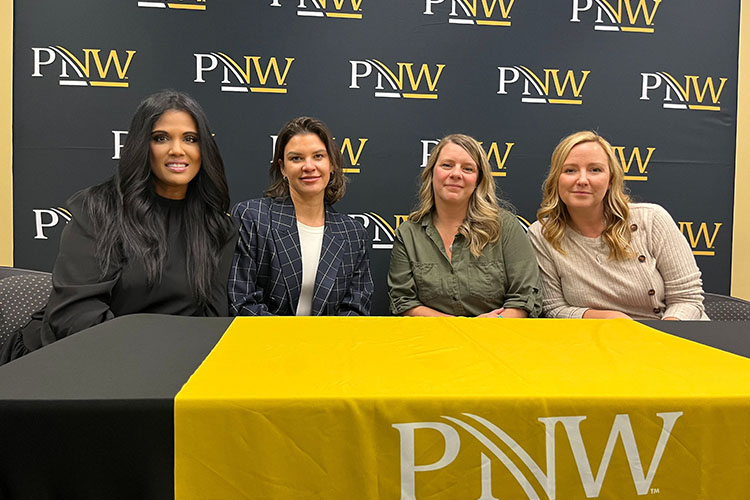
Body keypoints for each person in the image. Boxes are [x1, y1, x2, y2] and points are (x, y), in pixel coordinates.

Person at [0, 90, 238, 364]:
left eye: (190, 139)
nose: (177, 149)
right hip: (66, 357)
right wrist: (145, 360)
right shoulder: (98, 209)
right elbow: (75, 314)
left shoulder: (218, 227)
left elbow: (212, 320)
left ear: (204, 149)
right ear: (141, 146)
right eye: (160, 138)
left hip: (166, 366)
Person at [528, 130, 707, 320]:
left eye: (595, 170)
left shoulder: (652, 219)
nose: (582, 180)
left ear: (611, 180)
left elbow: (687, 299)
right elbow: (554, 309)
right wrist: (607, 318)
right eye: (570, 170)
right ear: (556, 179)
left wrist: (661, 337)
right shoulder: (542, 234)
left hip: (670, 332)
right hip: (594, 339)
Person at [229, 116, 373, 316]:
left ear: (331, 164)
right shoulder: (252, 218)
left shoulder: (353, 234)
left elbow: (355, 310)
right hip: (265, 344)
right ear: (282, 168)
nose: (309, 166)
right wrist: (293, 344)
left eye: (318, 156)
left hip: (329, 345)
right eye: (296, 158)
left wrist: (320, 346)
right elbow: (242, 302)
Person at [388, 134, 542, 318]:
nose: (455, 174)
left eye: (468, 169)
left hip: (496, 338)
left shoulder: (504, 226)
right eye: (447, 165)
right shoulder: (409, 234)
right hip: (432, 340)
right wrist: (461, 328)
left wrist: (495, 323)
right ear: (431, 173)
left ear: (478, 180)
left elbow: (526, 297)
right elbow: (403, 301)